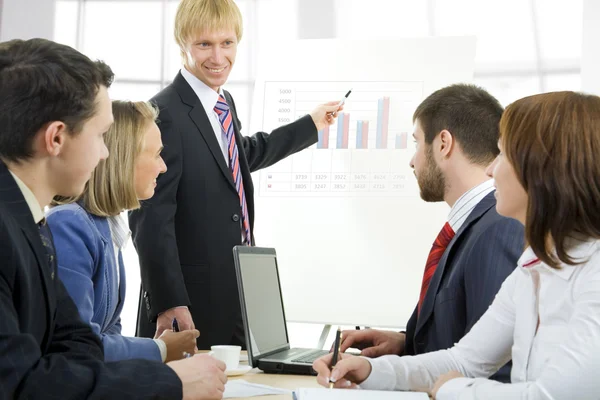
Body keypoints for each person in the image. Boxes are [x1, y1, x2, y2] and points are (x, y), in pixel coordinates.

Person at [314, 91, 600, 399]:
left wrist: (451, 389)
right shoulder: (533, 268)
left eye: (503, 155)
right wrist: (370, 371)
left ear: (542, 169)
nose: (490, 170)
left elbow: (548, 396)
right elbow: (463, 360)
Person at [0, 38, 226, 399]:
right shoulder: (14, 230)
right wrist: (173, 382)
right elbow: (23, 384)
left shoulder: (29, 224)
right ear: (57, 138)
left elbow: (77, 345)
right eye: (102, 134)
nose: (107, 153)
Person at [129, 0, 343, 349]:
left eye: (227, 43)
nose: (218, 57)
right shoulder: (165, 113)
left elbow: (241, 155)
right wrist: (169, 301)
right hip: (190, 303)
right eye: (204, 44)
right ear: (183, 44)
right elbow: (149, 219)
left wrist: (311, 125)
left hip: (237, 288)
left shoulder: (222, 101)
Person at [337, 84, 524, 382]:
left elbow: (492, 370)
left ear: (443, 143)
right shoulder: (473, 225)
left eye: (416, 143)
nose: (412, 161)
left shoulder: (499, 229)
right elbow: (468, 341)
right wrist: (404, 343)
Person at [46, 100, 198, 363]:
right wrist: (160, 350)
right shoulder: (68, 225)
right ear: (123, 159)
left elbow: (108, 334)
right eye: (156, 154)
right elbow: (77, 346)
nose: (163, 166)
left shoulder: (105, 224)